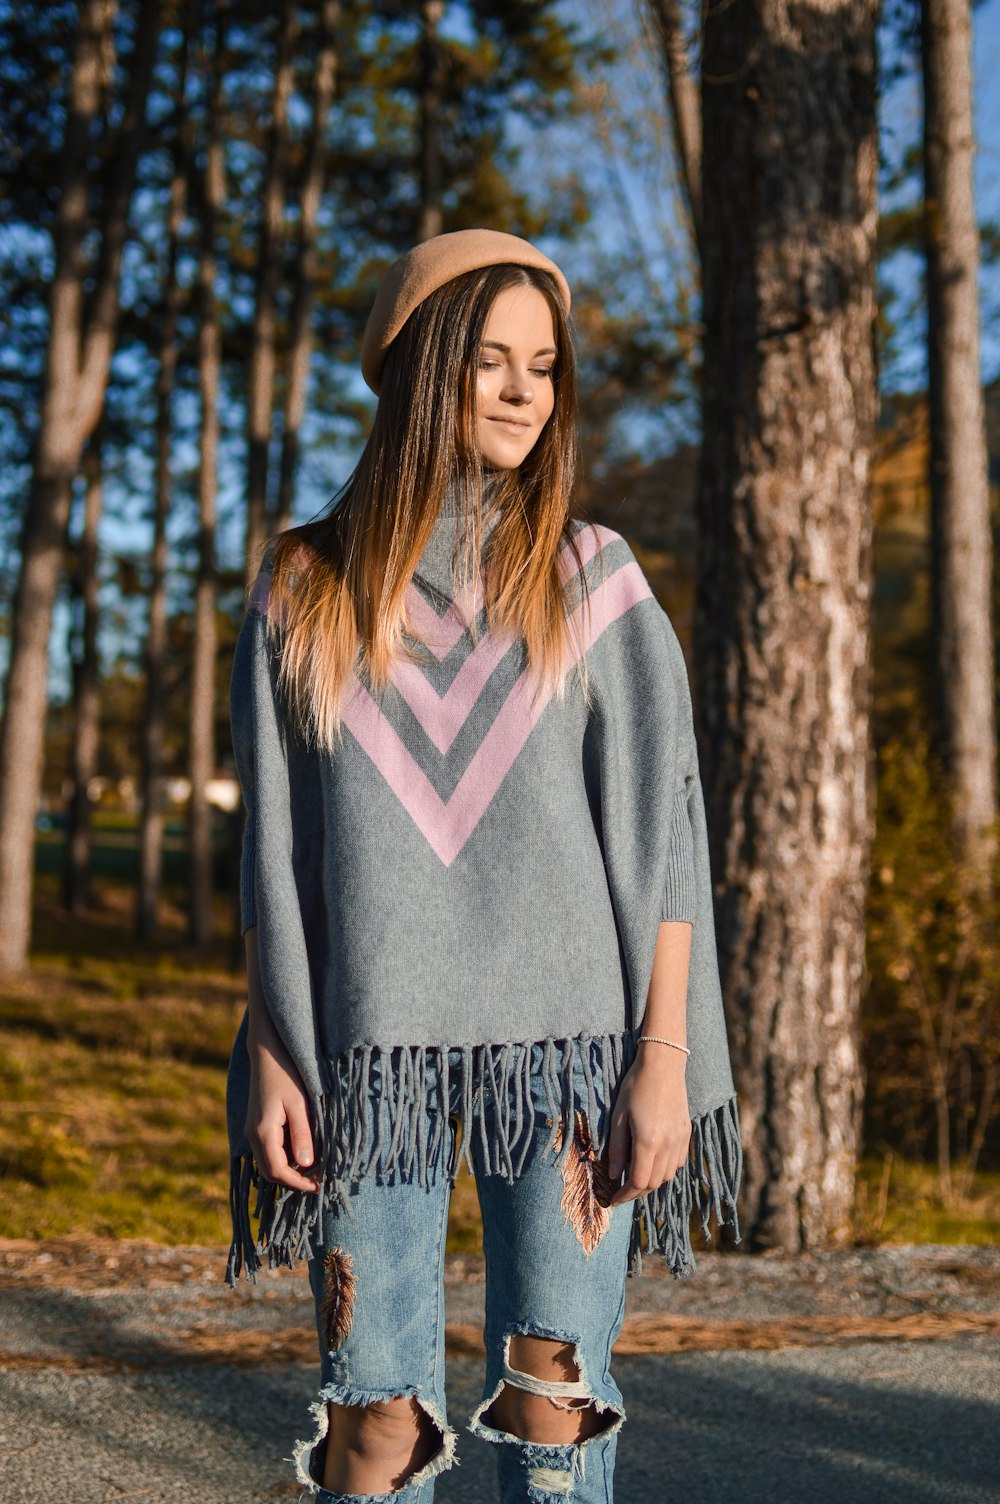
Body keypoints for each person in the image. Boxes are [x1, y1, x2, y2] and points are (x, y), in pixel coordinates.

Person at [225, 228, 741, 1504]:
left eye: (544, 367)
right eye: (490, 362)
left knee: (553, 1403)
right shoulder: (307, 588)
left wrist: (662, 1060)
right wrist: (273, 1045)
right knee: (374, 1421)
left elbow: (664, 830)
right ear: (418, 370)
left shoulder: (592, 579)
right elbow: (276, 849)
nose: (522, 391)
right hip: (363, 1052)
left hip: (571, 1060)